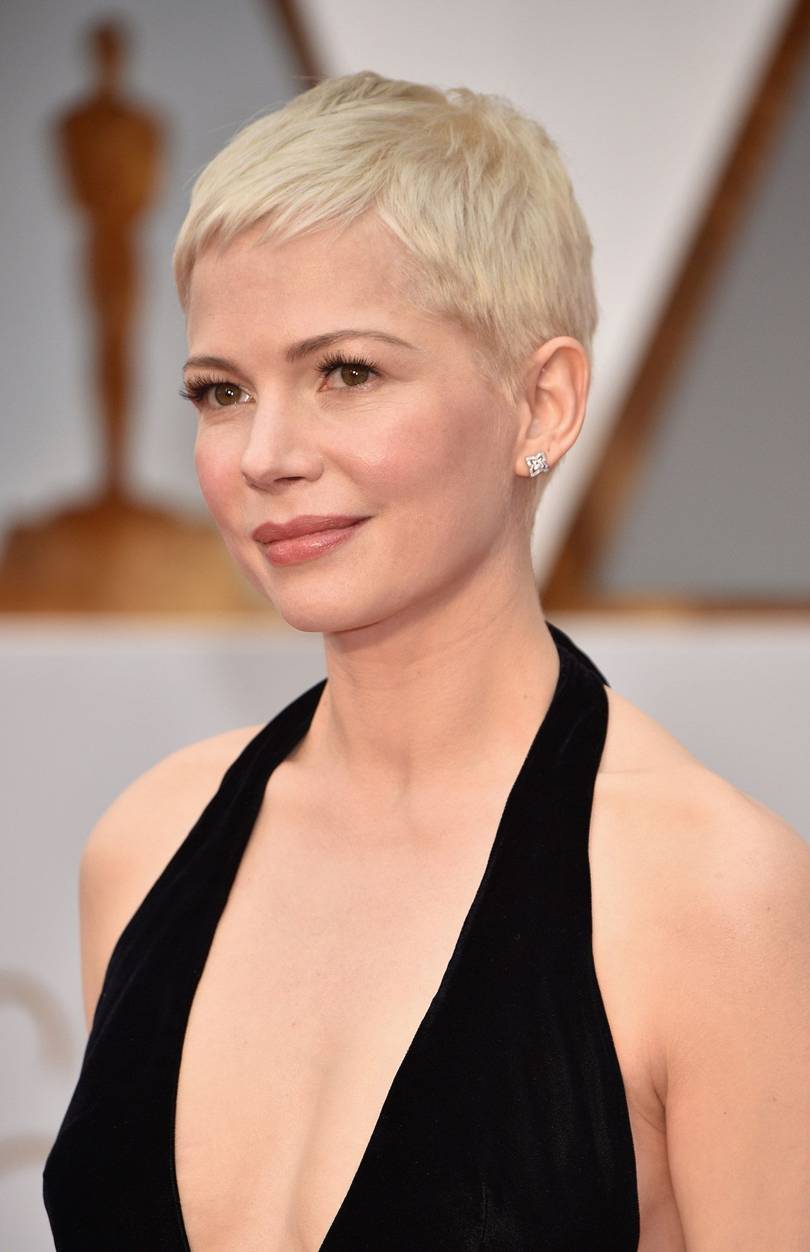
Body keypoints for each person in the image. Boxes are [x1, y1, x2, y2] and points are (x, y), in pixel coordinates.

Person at [43, 70, 810, 1251]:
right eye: (221, 390)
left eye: (345, 372)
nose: (265, 453)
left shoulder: (712, 896)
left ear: (542, 404)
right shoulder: (145, 844)